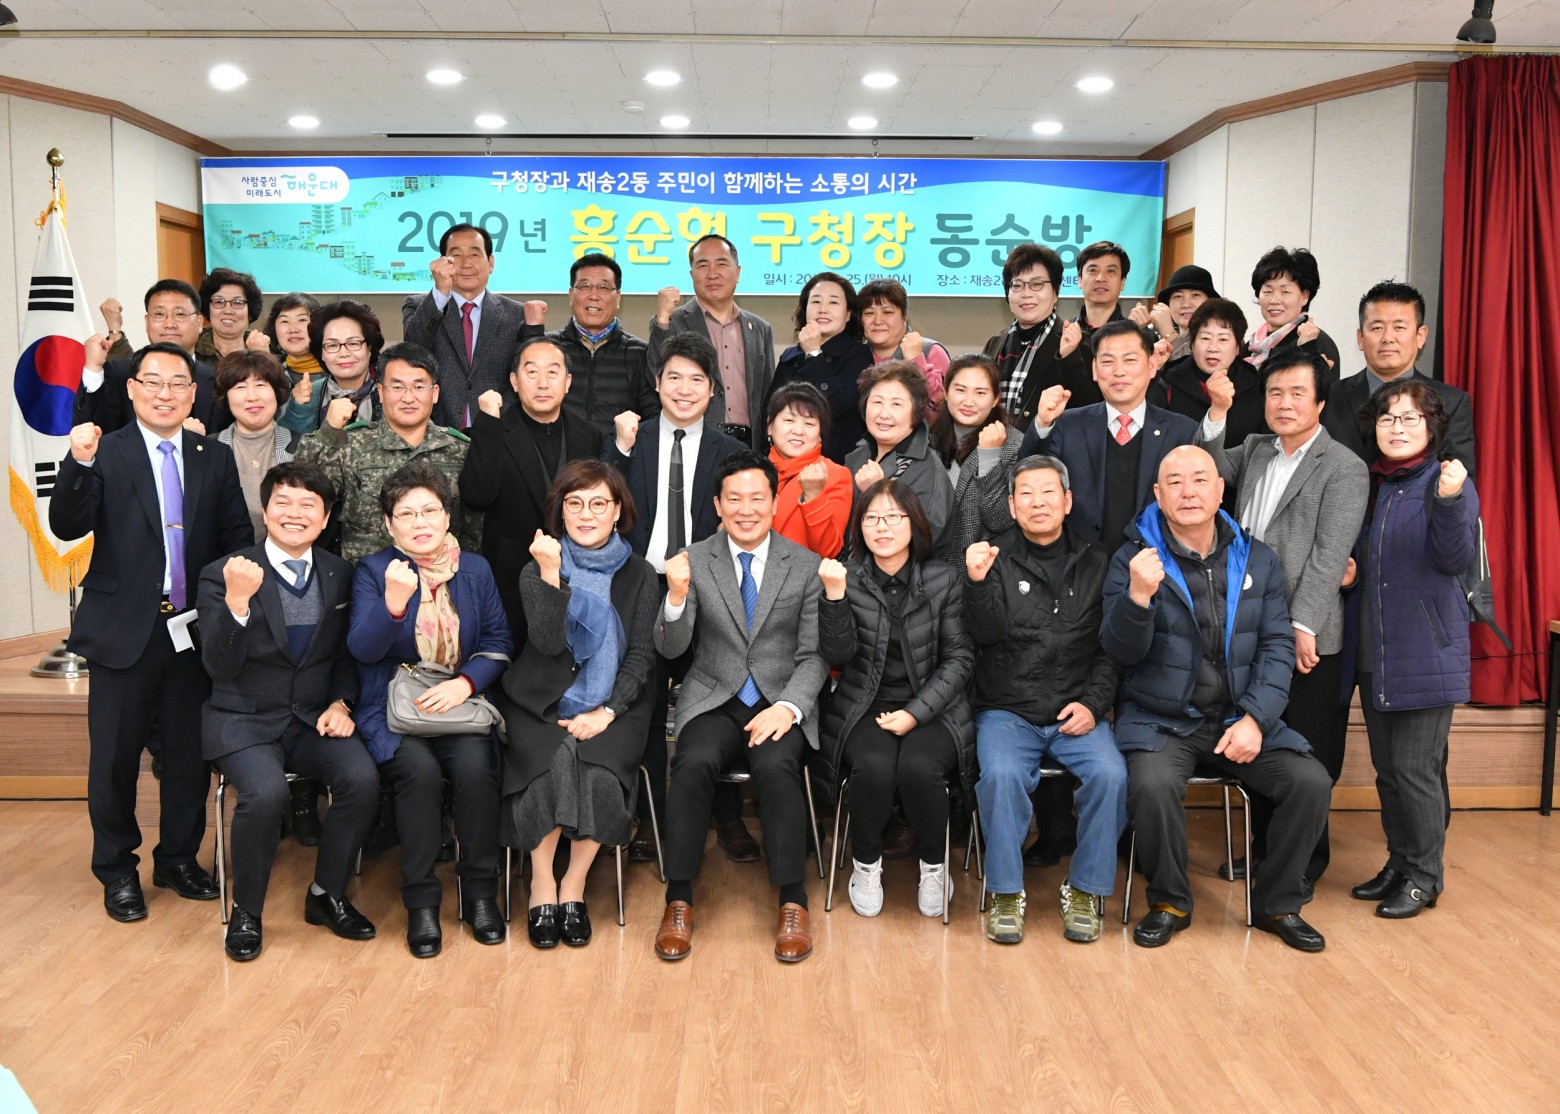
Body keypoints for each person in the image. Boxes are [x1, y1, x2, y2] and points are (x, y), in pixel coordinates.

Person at [50, 341, 252, 923]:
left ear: (193, 393)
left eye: (177, 384)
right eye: (153, 382)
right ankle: (117, 869)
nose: (166, 393)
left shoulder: (213, 456)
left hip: (192, 632)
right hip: (122, 630)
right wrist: (77, 463)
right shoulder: (105, 450)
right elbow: (66, 524)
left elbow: (236, 537)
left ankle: (178, 859)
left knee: (188, 756)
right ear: (133, 389)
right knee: (114, 759)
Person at [1101, 446, 1333, 953]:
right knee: (1151, 787)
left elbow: (1277, 645)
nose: (1188, 491)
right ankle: (1170, 902)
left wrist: (1255, 718)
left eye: (1200, 479)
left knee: (1310, 782)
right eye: (1175, 482)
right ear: (1158, 494)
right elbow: (1118, 651)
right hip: (1162, 721)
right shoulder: (1133, 559)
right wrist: (1137, 597)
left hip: (1238, 718)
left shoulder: (1257, 557)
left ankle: (1277, 903)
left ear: (1220, 490)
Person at [196, 461, 380, 962]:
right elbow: (217, 665)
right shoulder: (224, 572)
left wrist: (342, 703)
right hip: (243, 720)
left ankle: (326, 894)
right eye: (283, 502)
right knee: (266, 793)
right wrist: (237, 603)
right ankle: (247, 912)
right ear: (265, 509)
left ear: (325, 519)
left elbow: (345, 656)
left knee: (361, 779)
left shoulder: (340, 574)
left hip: (311, 719)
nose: (294, 513)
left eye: (308, 505)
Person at [652, 452, 828, 964]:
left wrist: (789, 707)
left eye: (757, 498)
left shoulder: (805, 565)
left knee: (777, 768)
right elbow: (670, 649)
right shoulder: (694, 559)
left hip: (778, 699)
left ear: (774, 503)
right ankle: (678, 899)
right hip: (714, 697)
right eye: (734, 499)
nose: (745, 509)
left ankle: (793, 901)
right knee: (691, 764)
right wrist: (676, 597)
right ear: (717, 505)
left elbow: (814, 655)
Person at [1204, 348, 1368, 890]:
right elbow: (1201, 469)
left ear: (1320, 402)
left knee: (1307, 751)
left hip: (1305, 634)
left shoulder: (1344, 467)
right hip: (1247, 628)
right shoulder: (1255, 449)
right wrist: (1218, 414)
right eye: (1275, 392)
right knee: (1263, 746)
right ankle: (1263, 853)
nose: (1284, 403)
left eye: (1298, 393)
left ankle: (1301, 866)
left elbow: (1329, 557)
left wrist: (1302, 626)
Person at [348, 461, 514, 957]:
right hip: (395, 708)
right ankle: (421, 902)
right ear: (389, 524)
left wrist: (466, 684)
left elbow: (499, 640)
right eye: (406, 513)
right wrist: (393, 605)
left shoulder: (475, 569)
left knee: (476, 770)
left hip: (458, 704)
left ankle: (480, 893)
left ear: (446, 516)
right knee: (418, 776)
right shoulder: (375, 571)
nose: (419, 522)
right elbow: (362, 650)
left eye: (429, 510)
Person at [963, 456, 1126, 944]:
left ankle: (1083, 890)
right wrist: (976, 583)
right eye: (1026, 494)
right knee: (1001, 776)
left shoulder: (1099, 563)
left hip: (1077, 708)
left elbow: (1111, 650)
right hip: (1007, 709)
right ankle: (1006, 892)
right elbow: (984, 633)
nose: (1038, 503)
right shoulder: (994, 557)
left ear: (1068, 501)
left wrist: (1093, 705)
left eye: (1048, 492)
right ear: (1012, 506)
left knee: (1111, 775)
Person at [497, 461, 657, 949]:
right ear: (560, 511)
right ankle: (542, 882)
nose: (586, 514)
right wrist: (551, 575)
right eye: (575, 503)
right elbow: (547, 643)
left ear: (617, 511)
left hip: (615, 705)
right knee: (548, 768)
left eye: (598, 503)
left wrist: (607, 711)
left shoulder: (641, 573)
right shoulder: (537, 566)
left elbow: (641, 656)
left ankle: (575, 883)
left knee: (599, 775)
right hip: (540, 702)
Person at [603, 331, 750, 862]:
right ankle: (648, 818)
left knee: (721, 700)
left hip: (709, 593)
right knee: (643, 704)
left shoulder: (732, 452)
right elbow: (600, 500)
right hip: (641, 590)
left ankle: (728, 817)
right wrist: (618, 449)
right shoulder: (630, 440)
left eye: (696, 380)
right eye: (674, 378)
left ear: (712, 390)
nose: (684, 389)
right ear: (657, 383)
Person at [1347, 381, 1478, 919]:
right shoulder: (1377, 484)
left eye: (1409, 418)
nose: (1396, 428)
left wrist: (1448, 501)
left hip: (1427, 650)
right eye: (1387, 419)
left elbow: (1453, 558)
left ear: (1432, 427)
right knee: (1388, 770)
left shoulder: (1445, 480)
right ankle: (1399, 863)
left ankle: (1425, 876)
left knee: (1415, 770)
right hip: (1378, 648)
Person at [819, 480, 972, 918]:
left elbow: (959, 660)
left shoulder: (944, 578)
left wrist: (914, 713)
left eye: (892, 517)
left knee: (920, 768)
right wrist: (834, 598)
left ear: (913, 523)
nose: (881, 527)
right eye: (871, 518)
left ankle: (934, 865)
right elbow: (836, 656)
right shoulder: (846, 578)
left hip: (934, 706)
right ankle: (866, 864)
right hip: (864, 703)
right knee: (873, 767)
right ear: (859, 528)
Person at [458, 337, 604, 642]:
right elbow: (476, 496)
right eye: (532, 372)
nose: (542, 383)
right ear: (514, 381)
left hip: (577, 574)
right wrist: (488, 422)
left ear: (567, 382)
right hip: (510, 577)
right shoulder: (493, 429)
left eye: (552, 372)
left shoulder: (588, 435)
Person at [1018, 320, 1198, 551]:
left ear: (1152, 365)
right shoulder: (1067, 424)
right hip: (1079, 562)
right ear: (1095, 369)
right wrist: (1043, 423)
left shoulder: (1182, 431)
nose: (1119, 371)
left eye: (1130, 360)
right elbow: (1026, 475)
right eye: (1107, 361)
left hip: (1156, 561)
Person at [297, 341, 474, 563]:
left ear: (435, 393)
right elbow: (303, 489)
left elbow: (474, 530)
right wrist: (329, 432)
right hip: (367, 578)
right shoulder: (350, 444)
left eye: (419, 387)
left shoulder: (460, 450)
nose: (408, 398)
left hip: (442, 577)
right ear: (380, 392)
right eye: (397, 387)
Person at [1322, 281, 1476, 477]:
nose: (1388, 338)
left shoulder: (1452, 402)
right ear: (1360, 338)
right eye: (1377, 328)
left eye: (1399, 327)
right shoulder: (1328, 397)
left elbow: (1460, 484)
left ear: (1420, 336)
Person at [402, 222, 537, 429]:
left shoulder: (516, 314)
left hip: (499, 430)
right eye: (456, 255)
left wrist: (497, 419)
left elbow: (523, 376)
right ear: (442, 263)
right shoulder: (420, 306)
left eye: (475, 254)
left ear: (490, 263)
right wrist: (440, 293)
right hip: (435, 431)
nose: (466, 263)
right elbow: (412, 350)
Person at [648, 233, 776, 450]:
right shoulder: (672, 322)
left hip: (749, 445)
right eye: (703, 265)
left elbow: (768, 395)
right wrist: (662, 321)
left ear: (738, 272)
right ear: (692, 274)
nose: (712, 273)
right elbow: (654, 374)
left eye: (721, 264)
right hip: (693, 441)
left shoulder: (760, 328)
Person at [520, 252, 658, 439]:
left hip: (618, 455)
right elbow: (521, 396)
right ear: (571, 295)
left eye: (603, 287)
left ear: (618, 297)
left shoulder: (639, 353)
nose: (594, 295)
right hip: (556, 454)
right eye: (584, 286)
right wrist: (531, 334)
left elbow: (653, 418)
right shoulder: (547, 347)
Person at [77, 280, 220, 434]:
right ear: (147, 322)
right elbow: (92, 430)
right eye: (159, 314)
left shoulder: (218, 381)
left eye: (180, 314)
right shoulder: (120, 373)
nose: (169, 323)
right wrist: (93, 368)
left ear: (199, 323)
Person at [981, 243, 1098, 430]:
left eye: (1037, 284)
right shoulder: (995, 344)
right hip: (995, 443)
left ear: (1056, 292)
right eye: (1017, 285)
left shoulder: (1076, 342)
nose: (1026, 294)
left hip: (1051, 447)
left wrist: (1070, 357)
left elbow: (1092, 409)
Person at [845, 362, 955, 552]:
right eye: (877, 402)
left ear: (916, 411)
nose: (884, 414)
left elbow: (922, 541)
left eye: (896, 404)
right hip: (849, 569)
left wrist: (876, 492)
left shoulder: (928, 469)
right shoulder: (857, 457)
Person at [928, 354, 1024, 561]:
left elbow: (1000, 522)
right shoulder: (926, 440)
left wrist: (990, 458)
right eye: (960, 390)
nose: (968, 401)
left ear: (996, 399)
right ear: (945, 391)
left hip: (981, 569)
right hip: (928, 568)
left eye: (980, 393)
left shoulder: (1014, 445)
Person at [771, 272, 875, 463]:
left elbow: (837, 406)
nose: (823, 309)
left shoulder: (859, 354)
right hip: (785, 465)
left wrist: (814, 354)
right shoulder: (789, 357)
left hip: (837, 465)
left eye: (833, 302)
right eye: (816, 302)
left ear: (848, 314)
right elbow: (770, 413)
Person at [1152, 298, 1267, 447]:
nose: (1213, 347)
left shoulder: (1255, 384)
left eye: (1223, 339)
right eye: (1205, 338)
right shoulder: (1167, 383)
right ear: (1192, 344)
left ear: (1238, 347)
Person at [214, 351, 302, 544]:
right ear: (225, 396)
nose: (252, 397)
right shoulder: (209, 450)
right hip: (224, 557)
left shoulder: (303, 446)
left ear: (276, 392)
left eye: (261, 385)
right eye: (240, 387)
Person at [766, 381, 853, 559]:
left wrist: (814, 495)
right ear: (770, 426)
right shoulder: (753, 472)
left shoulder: (835, 475)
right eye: (789, 420)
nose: (798, 431)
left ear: (820, 434)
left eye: (809, 423)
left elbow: (828, 550)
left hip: (803, 575)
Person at [282, 300, 384, 435]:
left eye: (353, 343)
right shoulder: (312, 393)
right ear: (322, 353)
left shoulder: (390, 390)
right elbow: (288, 445)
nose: (344, 353)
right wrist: (299, 409)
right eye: (332, 345)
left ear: (369, 348)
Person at [1246, 247, 1341, 384]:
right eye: (1267, 291)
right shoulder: (1251, 345)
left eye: (1285, 292)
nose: (1274, 300)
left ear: (1304, 296)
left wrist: (1306, 349)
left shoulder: (1316, 343)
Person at [859, 279, 951, 407]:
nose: (878, 321)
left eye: (888, 312)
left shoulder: (930, 351)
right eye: (869, 313)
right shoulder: (854, 354)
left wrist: (916, 361)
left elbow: (940, 406)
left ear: (905, 316)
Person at [261, 293, 325, 431]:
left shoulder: (338, 373)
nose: (293, 329)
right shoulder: (269, 375)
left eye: (302, 320)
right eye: (284, 321)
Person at [1075, 241, 1147, 349]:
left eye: (1111, 271)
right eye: (1093, 270)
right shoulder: (1063, 333)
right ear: (1080, 280)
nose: (1101, 278)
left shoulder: (1139, 335)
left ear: (1122, 282)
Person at [1143, 264, 1219, 364]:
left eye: (1195, 295)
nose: (1186, 305)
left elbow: (1189, 371)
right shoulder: (1154, 335)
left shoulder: (1223, 337)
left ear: (1210, 302)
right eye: (1178, 296)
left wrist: (1169, 334)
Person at [195, 268, 271, 362]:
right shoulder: (190, 346)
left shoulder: (265, 349)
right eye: (219, 302)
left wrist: (263, 358)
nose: (228, 311)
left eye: (237, 302)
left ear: (250, 311)